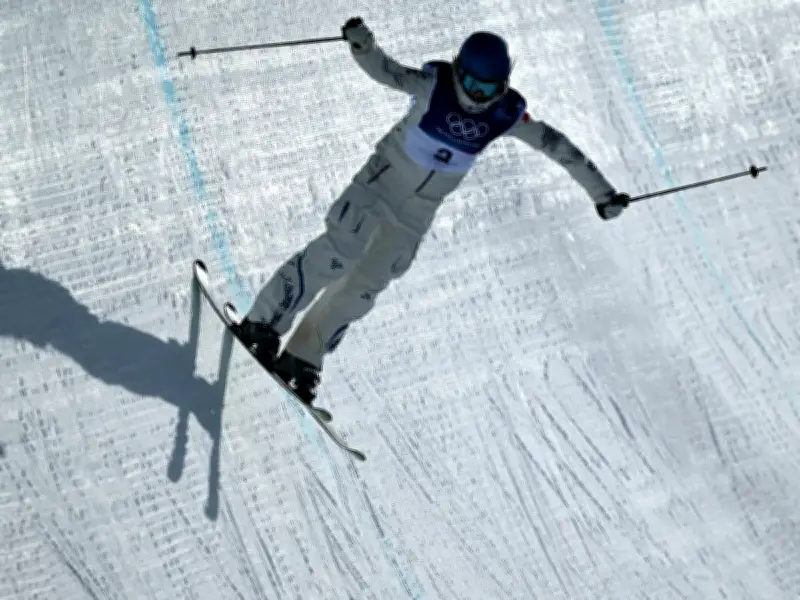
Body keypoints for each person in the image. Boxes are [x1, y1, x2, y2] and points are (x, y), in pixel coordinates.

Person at [232, 17, 630, 404]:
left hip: (416, 214)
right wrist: (363, 44)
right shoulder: (433, 85)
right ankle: (262, 323)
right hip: (379, 185)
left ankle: (303, 357)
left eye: (485, 87)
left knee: (365, 287)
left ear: (503, 84)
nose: (475, 96)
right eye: (470, 83)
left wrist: (603, 194)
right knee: (339, 254)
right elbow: (386, 71)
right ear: (458, 69)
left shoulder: (505, 114)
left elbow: (557, 146)